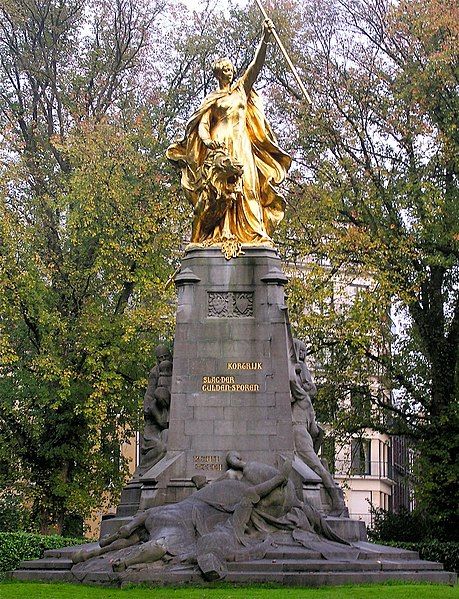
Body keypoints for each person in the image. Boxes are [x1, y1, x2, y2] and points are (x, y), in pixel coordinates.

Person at [167, 19, 291, 256]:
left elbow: (256, 66)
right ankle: (220, 233)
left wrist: (265, 38)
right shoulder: (214, 99)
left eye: (231, 68)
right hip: (221, 146)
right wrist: (207, 142)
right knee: (219, 192)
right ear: (218, 74)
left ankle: (254, 233)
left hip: (241, 144)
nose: (230, 71)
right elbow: (203, 126)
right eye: (225, 69)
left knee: (249, 187)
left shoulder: (241, 90)